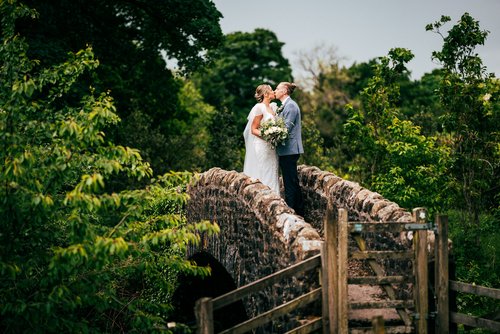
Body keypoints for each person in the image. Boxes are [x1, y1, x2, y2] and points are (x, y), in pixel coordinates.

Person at [243, 84, 280, 194]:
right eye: (271, 90)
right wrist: (267, 136)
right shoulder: (259, 108)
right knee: (264, 169)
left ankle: (275, 197)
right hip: (262, 145)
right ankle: (264, 197)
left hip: (272, 147)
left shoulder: (273, 107)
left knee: (273, 170)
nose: (274, 92)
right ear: (266, 94)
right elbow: (253, 129)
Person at [274, 82, 304, 216]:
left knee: (290, 182)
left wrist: (271, 133)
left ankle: (294, 211)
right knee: (290, 180)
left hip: (290, 150)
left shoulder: (291, 106)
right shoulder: (284, 106)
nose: (275, 91)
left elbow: (286, 129)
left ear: (285, 90)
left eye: (277, 88)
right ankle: (298, 210)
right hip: (286, 150)